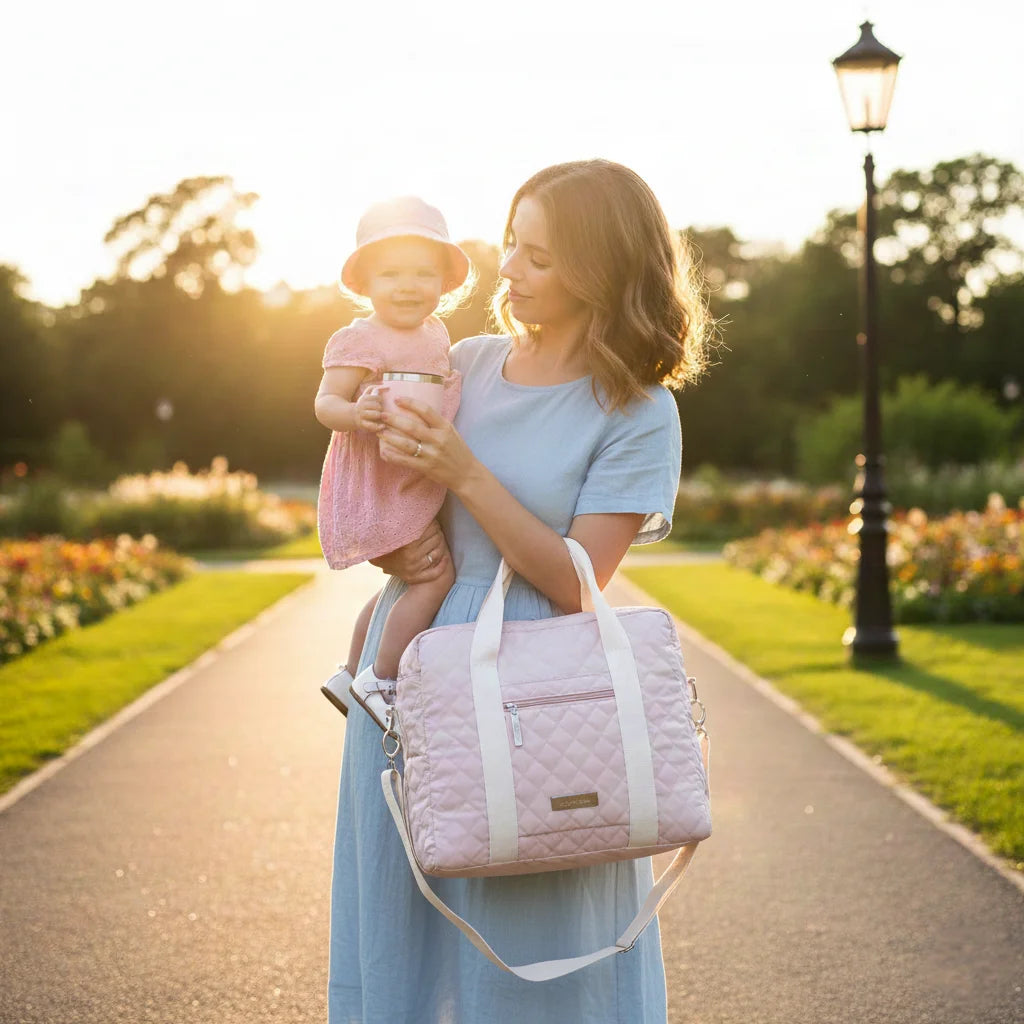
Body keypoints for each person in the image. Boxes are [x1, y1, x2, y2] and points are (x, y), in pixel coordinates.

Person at [328, 159, 710, 1023]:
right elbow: (372, 474)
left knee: (536, 944)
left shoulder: (639, 411)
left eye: (537, 256)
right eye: (510, 244)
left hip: (542, 693)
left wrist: (465, 473)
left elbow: (581, 582)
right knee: (404, 922)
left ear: (600, 268)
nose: (507, 270)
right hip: (417, 677)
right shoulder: (463, 362)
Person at [314, 196, 472, 727]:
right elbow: (325, 404)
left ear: (445, 283)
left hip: (414, 473)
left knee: (404, 582)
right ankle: (382, 680)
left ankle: (352, 668)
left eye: (424, 274)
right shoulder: (358, 338)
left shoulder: (435, 335)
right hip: (379, 482)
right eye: (392, 274)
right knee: (433, 577)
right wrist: (358, 412)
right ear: (365, 283)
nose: (408, 286)